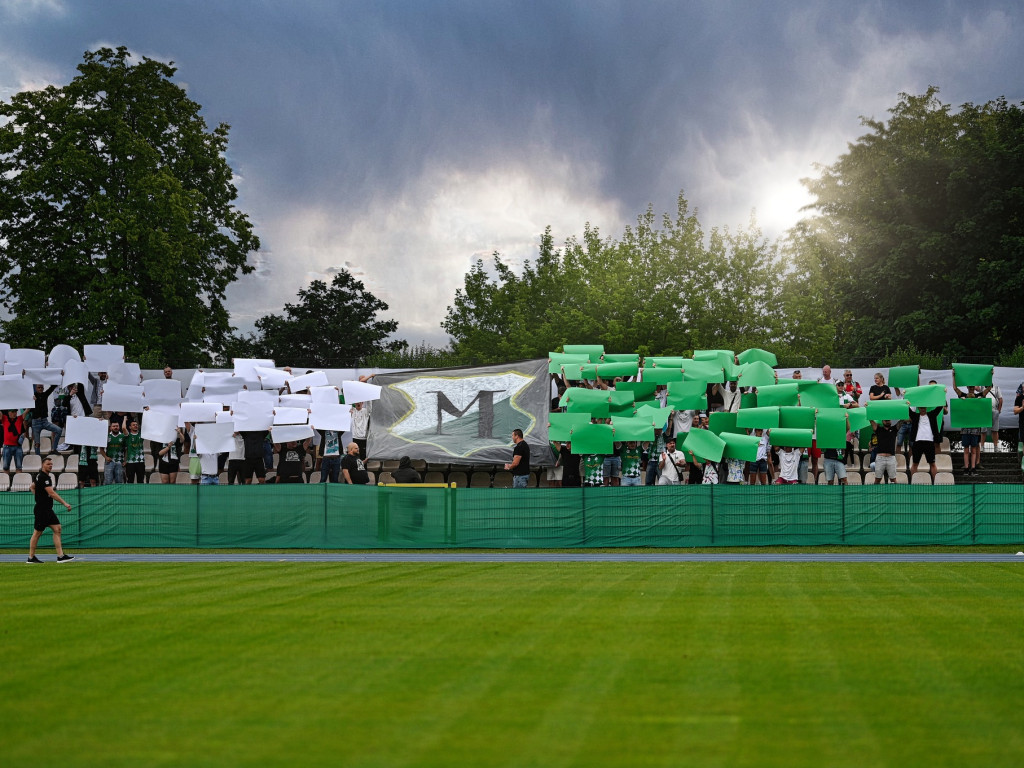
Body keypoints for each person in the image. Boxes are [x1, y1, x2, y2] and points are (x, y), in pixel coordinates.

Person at [27, 456, 74, 563]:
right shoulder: (44, 477)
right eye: (48, 464)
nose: (50, 466)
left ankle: (60, 556)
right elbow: (51, 493)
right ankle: (31, 557)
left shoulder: (40, 476)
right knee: (37, 533)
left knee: (57, 529)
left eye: (51, 464)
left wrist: (39, 496)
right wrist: (65, 503)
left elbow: (32, 487)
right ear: (43, 464)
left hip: (47, 509)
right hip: (42, 510)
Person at [953, 384, 991, 477]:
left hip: (975, 429)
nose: (971, 388)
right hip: (965, 429)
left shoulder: (979, 397)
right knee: (966, 449)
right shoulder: (963, 397)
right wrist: (953, 375)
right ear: (967, 387)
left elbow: (988, 388)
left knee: (974, 449)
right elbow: (955, 388)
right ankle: (966, 468)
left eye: (972, 387)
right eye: (969, 387)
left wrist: (991, 375)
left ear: (974, 388)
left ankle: (973, 468)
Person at [908, 405, 942, 482]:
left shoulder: (932, 414)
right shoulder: (915, 416)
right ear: (918, 408)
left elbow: (940, 405)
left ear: (926, 408)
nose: (922, 409)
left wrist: (944, 393)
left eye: (924, 407)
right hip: (918, 442)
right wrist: (904, 396)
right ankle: (913, 481)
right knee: (915, 463)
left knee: (932, 463)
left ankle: (935, 482)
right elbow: (907, 408)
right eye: (921, 407)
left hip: (929, 442)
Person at [30, 383, 62, 455]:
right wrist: (31, 399)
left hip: (44, 421)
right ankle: (38, 458)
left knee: (59, 430)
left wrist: (59, 375)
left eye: (41, 387)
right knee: (37, 443)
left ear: (43, 388)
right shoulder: (32, 396)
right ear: (36, 388)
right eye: (39, 387)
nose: (40, 389)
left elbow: (52, 387)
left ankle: (54, 448)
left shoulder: (45, 395)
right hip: (36, 422)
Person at [870, 419, 899, 484]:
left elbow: (902, 420)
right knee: (877, 479)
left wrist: (905, 410)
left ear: (891, 421)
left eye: (888, 420)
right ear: (882, 421)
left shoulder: (894, 429)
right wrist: (868, 410)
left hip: (891, 458)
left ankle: (896, 494)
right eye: (885, 420)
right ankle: (875, 493)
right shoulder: (879, 429)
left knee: (893, 480)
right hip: (880, 458)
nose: (887, 421)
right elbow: (871, 421)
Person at [100, 420, 126, 484]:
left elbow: (126, 449)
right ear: (110, 427)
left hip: (120, 462)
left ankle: (119, 494)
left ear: (119, 427)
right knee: (108, 481)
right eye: (114, 426)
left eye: (117, 426)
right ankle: (107, 494)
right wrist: (106, 457)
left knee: (119, 481)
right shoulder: (107, 437)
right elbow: (101, 449)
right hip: (109, 462)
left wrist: (125, 460)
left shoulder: (123, 436)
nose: (115, 427)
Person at [986, 383, 1003, 452]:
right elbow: (975, 387)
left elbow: (1000, 399)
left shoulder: (996, 388)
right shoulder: (981, 387)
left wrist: (998, 410)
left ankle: (996, 447)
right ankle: (982, 446)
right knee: (983, 430)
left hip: (994, 411)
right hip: (984, 412)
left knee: (995, 430)